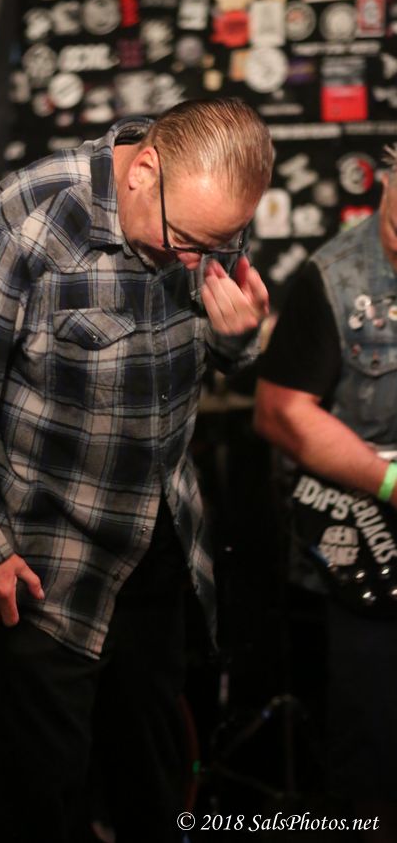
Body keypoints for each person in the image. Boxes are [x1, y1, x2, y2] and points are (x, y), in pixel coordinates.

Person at [0, 98, 273, 843]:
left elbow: (212, 348)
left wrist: (239, 339)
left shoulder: (199, 212)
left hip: (159, 550)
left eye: (219, 244)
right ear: (143, 170)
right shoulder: (29, 221)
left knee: (154, 796)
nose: (199, 261)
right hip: (46, 568)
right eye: (187, 242)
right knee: (36, 808)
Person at [254, 146, 397, 842]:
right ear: (388, 175)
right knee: (371, 766)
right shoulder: (335, 276)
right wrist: (390, 482)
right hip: (372, 558)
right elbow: (279, 413)